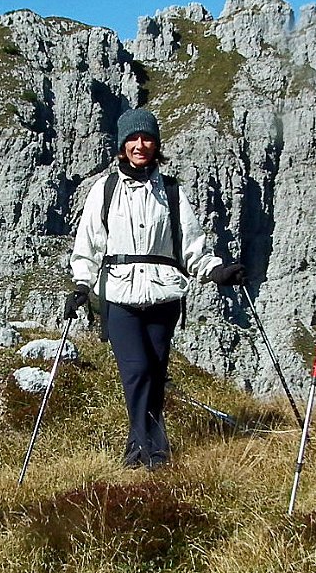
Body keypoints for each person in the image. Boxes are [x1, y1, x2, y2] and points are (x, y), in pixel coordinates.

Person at [68, 108, 246, 470]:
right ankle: (153, 454)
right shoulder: (103, 191)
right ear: (121, 146)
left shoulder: (172, 192)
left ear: (156, 144)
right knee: (136, 371)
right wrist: (81, 285)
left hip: (164, 295)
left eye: (146, 138)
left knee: (155, 371)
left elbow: (191, 246)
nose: (140, 145)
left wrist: (217, 272)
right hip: (118, 296)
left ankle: (139, 452)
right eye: (132, 139)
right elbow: (89, 244)